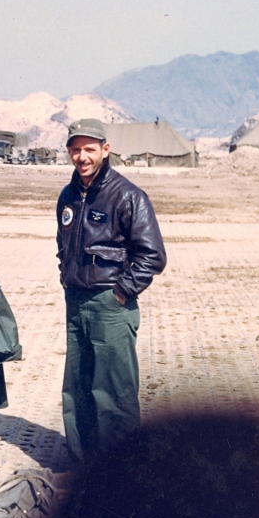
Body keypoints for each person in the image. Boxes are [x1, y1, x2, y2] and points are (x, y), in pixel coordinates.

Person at [55, 118, 166, 466]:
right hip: (76, 303)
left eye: (89, 149)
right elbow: (64, 246)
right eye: (75, 149)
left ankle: (121, 474)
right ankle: (83, 468)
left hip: (110, 305)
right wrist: (67, 279)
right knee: (78, 390)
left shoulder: (128, 196)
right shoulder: (68, 195)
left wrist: (121, 292)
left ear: (105, 149)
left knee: (114, 393)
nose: (82, 157)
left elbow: (152, 255)